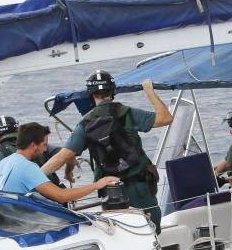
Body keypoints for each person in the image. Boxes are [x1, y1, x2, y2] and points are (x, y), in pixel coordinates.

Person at [41, 71, 172, 232]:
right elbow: (166, 118)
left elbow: (61, 157)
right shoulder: (128, 113)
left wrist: (33, 178)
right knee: (152, 230)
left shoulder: (85, 123)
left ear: (91, 94)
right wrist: (149, 92)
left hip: (111, 191)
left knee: (123, 233)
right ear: (113, 91)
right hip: (141, 188)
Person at [0, 122, 118, 203]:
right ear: (33, 145)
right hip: (24, 222)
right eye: (44, 145)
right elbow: (61, 196)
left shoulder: (4, 162)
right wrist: (97, 185)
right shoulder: (27, 167)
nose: (46, 149)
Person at [0, 115, 73, 191]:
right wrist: (68, 172)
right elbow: (68, 154)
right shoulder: (35, 144)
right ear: (18, 131)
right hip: (56, 194)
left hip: (33, 201)